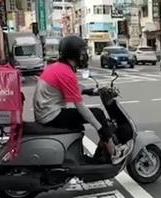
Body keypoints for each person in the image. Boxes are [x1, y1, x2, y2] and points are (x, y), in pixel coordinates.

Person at [32, 35, 115, 163]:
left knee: (81, 121)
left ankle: (81, 157)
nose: (84, 56)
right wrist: (100, 128)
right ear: (74, 53)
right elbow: (80, 107)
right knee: (98, 114)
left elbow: (71, 89)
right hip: (51, 116)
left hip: (47, 113)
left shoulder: (57, 67)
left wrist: (93, 91)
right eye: (82, 53)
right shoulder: (65, 72)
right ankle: (112, 153)